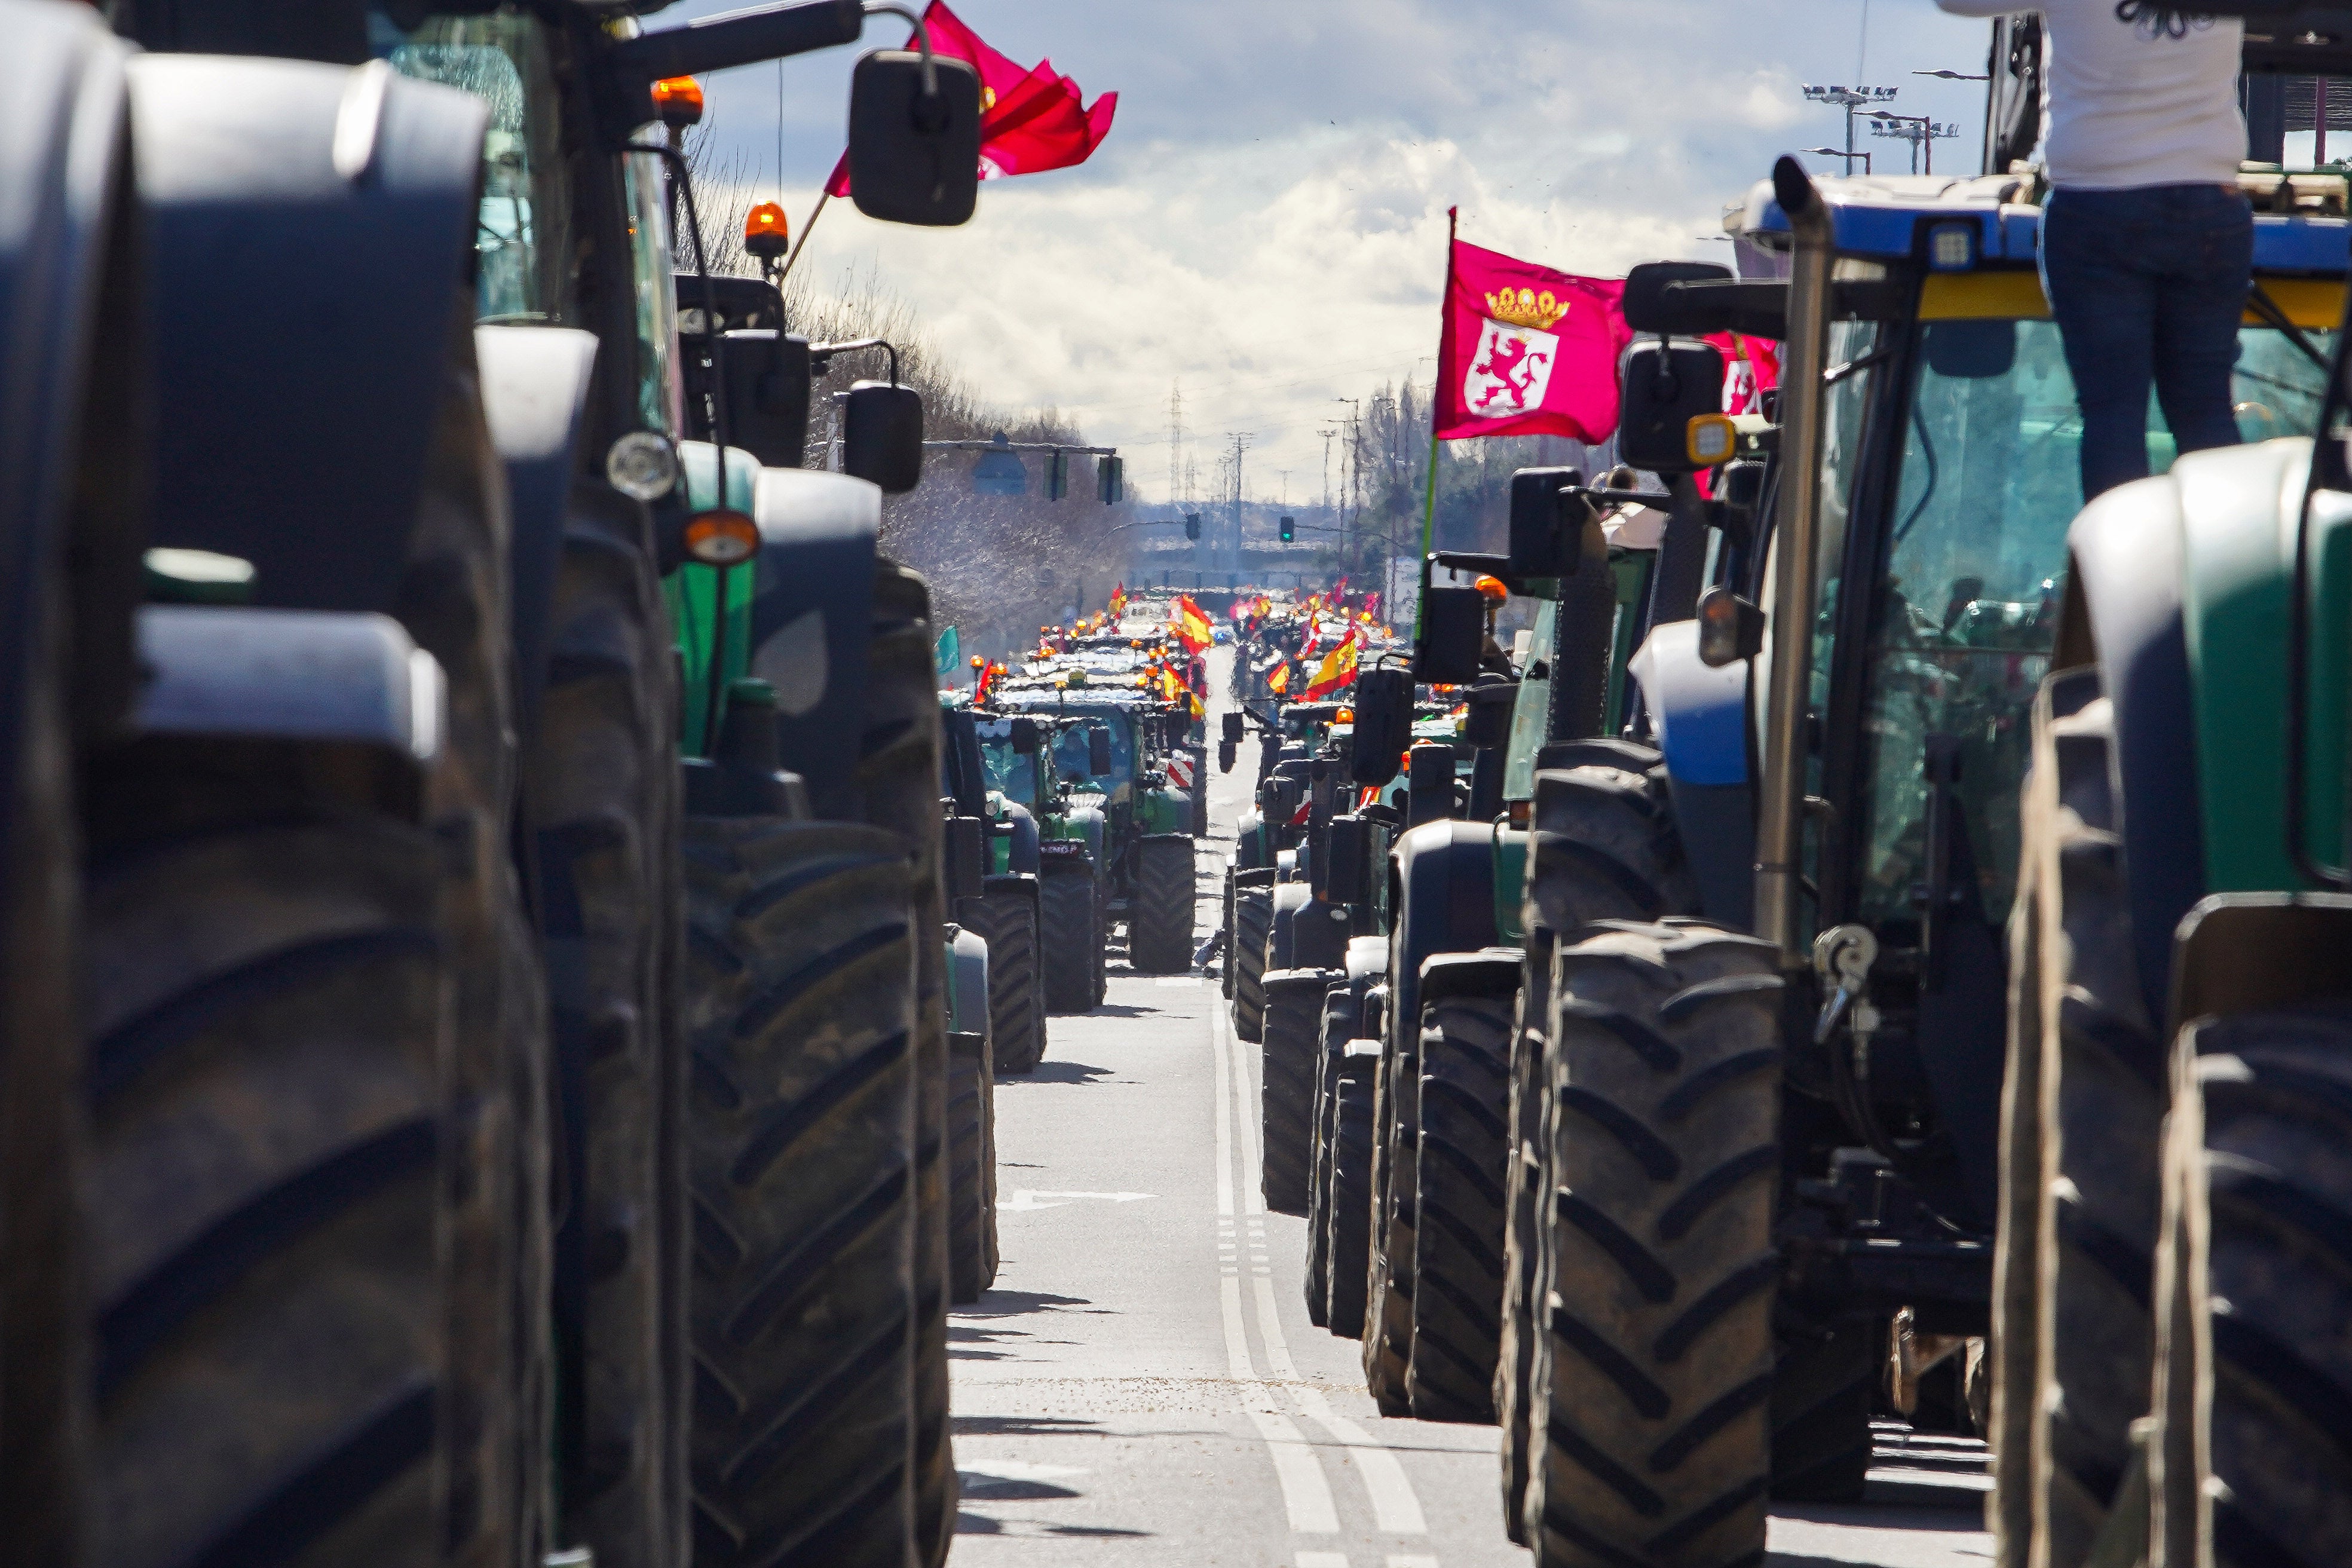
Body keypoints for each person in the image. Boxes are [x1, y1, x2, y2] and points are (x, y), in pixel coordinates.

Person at [1936, 1, 2253, 501]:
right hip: (2209, 199)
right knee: (2206, 409)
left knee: (2113, 414)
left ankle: (2120, 574)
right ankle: (2236, 568)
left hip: (2098, 199)